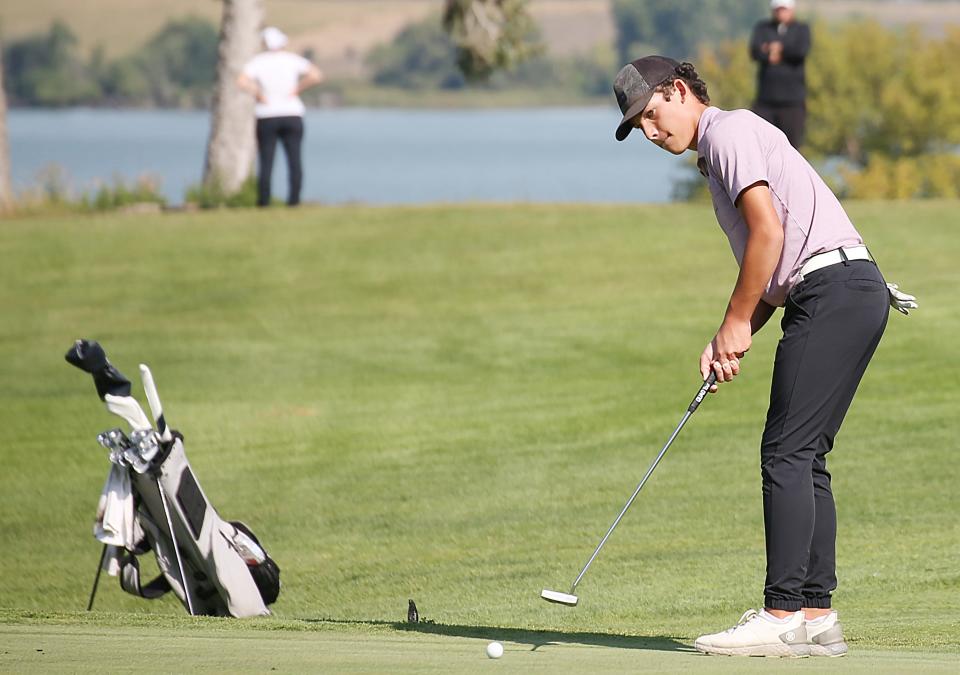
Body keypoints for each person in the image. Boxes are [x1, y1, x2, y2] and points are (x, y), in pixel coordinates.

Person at [612, 56, 916, 657]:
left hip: (833, 291)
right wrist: (733, 333)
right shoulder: (719, 152)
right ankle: (814, 616)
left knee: (785, 453)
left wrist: (733, 324)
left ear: (678, 91)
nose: (651, 132)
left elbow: (769, 236)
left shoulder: (728, 133)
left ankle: (779, 614)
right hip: (846, 292)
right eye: (638, 126)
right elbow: (771, 271)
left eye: (651, 114)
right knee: (805, 457)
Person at [237, 27, 323, 207]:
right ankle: (294, 201)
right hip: (292, 114)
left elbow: (242, 81)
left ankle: (264, 202)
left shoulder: (258, 61)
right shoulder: (292, 60)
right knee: (295, 160)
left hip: (266, 114)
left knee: (266, 161)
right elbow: (316, 75)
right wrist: (296, 90)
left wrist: (259, 94)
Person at [749, 0, 810, 149]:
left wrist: (775, 48)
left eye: (784, 9)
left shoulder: (801, 29)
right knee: (762, 146)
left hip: (792, 102)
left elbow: (800, 51)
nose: (781, 13)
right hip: (765, 101)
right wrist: (780, 50)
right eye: (778, 10)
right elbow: (755, 51)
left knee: (792, 148)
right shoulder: (763, 28)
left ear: (791, 10)